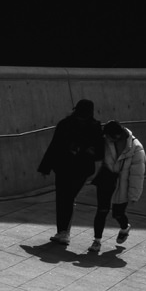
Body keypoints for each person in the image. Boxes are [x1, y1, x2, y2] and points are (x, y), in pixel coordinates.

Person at [37, 98, 103, 246]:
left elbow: (54, 146)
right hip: (77, 168)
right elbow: (100, 151)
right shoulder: (93, 126)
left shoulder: (66, 124)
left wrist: (45, 167)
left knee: (64, 197)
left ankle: (63, 232)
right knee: (65, 197)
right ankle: (63, 231)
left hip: (67, 167)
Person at [89, 121, 146, 253]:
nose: (106, 139)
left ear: (117, 135)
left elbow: (137, 175)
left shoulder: (136, 148)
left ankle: (125, 227)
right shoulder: (107, 140)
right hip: (106, 178)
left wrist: (133, 195)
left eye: (109, 136)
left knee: (118, 213)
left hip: (122, 183)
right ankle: (97, 241)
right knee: (102, 210)